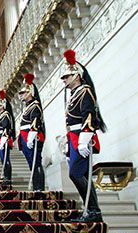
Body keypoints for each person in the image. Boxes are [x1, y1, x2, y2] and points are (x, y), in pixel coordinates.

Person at [61, 49, 107, 222]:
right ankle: (93, 211)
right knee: (82, 175)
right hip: (74, 137)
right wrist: (68, 142)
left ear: (77, 75)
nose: (64, 80)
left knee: (75, 173)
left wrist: (84, 139)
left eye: (66, 76)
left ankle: (93, 209)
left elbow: (89, 116)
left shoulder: (85, 91)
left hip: (82, 136)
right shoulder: (74, 95)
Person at [18, 73, 46, 191]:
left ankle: (39, 187)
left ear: (30, 93)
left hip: (32, 136)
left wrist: (30, 137)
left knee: (36, 162)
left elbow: (35, 121)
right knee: (32, 163)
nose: (21, 95)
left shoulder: (35, 106)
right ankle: (36, 186)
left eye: (23, 93)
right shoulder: (28, 107)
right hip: (26, 136)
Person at [0, 90, 15, 185]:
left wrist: (3, 139)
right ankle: (6, 177)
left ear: (3, 106)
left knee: (5, 159)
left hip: (4, 139)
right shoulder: (1, 116)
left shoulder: (6, 115)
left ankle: (7, 178)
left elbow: (7, 128)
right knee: (3, 159)